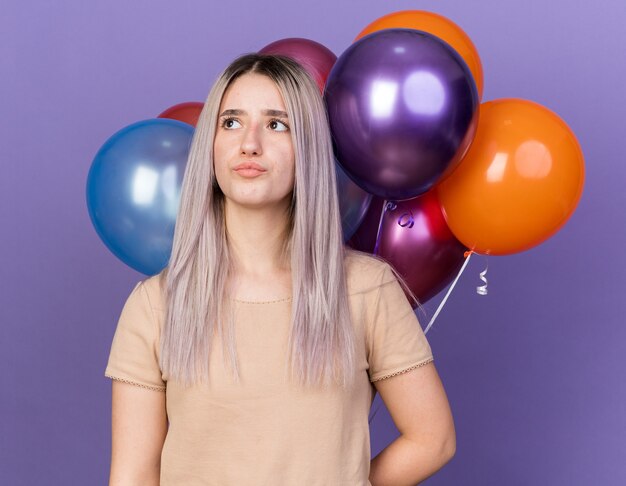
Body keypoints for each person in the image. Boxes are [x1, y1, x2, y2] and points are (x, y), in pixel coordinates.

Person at [104, 53, 456, 486]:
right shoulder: (155, 305)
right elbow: (134, 474)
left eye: (276, 124)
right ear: (210, 146)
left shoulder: (365, 289)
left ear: (306, 146)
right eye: (231, 122)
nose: (249, 143)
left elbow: (432, 438)